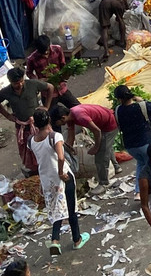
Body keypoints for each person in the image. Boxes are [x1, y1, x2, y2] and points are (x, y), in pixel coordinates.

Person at [30, 108, 90, 255]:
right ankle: (77, 239)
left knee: (56, 207)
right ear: (49, 120)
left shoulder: (31, 140)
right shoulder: (55, 136)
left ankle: (55, 240)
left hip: (46, 180)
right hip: (62, 177)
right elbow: (61, 157)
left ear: (36, 125)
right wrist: (61, 172)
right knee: (71, 208)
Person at [0, 67, 54, 175]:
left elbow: (50, 87)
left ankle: (49, 167)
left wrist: (46, 107)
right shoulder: (6, 92)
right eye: (16, 83)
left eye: (21, 81)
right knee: (28, 151)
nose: (20, 84)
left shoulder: (32, 84)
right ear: (10, 82)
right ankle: (35, 172)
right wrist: (8, 115)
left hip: (39, 124)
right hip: (22, 126)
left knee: (46, 147)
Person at [53, 102, 117, 196]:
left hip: (109, 125)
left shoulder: (80, 116)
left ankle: (104, 183)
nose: (58, 125)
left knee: (100, 155)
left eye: (56, 122)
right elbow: (71, 135)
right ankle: (116, 166)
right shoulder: (71, 116)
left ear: (63, 117)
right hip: (103, 122)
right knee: (105, 147)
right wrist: (68, 150)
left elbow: (97, 131)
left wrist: (96, 147)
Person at [113, 84, 151, 196]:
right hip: (145, 143)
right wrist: (141, 100)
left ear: (119, 99)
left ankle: (139, 192)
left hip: (130, 146)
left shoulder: (118, 110)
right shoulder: (141, 106)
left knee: (141, 164)